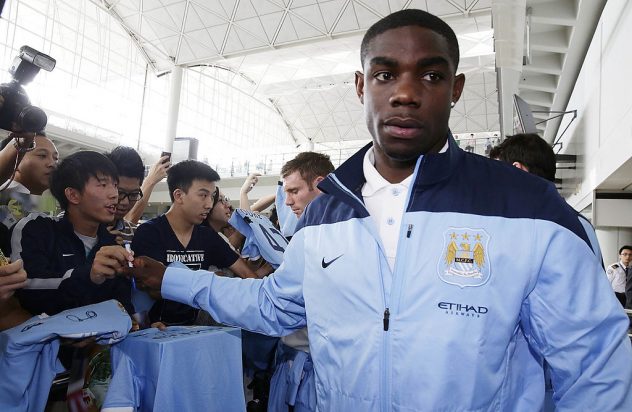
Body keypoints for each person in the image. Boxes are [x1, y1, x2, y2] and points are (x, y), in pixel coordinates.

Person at [130, 9, 632, 410]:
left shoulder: (526, 208)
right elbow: (274, 307)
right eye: (386, 74)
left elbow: (593, 367)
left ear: (456, 89)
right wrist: (173, 280)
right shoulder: (327, 212)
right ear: (360, 86)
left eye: (431, 75)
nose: (406, 93)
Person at [131, 160, 256, 326]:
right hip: (156, 330)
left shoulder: (207, 237)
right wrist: (212, 280)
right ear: (179, 195)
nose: (209, 204)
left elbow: (247, 275)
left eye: (212, 197)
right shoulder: (150, 233)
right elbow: (153, 287)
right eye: (203, 195)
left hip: (195, 329)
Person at [11, 151, 134, 316]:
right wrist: (88, 276)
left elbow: (122, 304)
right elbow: (26, 288)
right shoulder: (36, 229)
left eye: (115, 185)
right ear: (73, 195)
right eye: (103, 185)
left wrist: (135, 323)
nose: (114, 195)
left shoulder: (112, 244)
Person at [0, 133, 58, 254]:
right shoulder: (3, 197)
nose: (52, 164)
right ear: (14, 159)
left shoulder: (47, 207)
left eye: (56, 158)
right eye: (42, 155)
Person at [105, 146, 169, 244]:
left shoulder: (136, 236)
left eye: (134, 194)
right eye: (120, 193)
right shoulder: (78, 230)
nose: (125, 202)